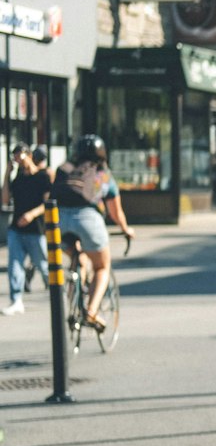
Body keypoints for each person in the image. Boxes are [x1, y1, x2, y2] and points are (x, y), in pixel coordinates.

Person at [49, 136, 135, 329]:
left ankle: (73, 302)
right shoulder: (102, 174)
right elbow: (115, 212)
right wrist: (126, 229)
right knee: (102, 266)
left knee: (77, 258)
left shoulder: (63, 170)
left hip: (57, 222)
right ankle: (91, 312)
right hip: (88, 219)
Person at [2, 143, 50, 316]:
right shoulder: (18, 179)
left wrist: (31, 214)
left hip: (36, 230)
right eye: (15, 157)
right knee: (14, 266)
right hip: (16, 229)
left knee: (44, 266)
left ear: (29, 155)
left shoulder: (42, 177)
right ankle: (16, 301)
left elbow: (48, 204)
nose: (18, 160)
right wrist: (7, 172)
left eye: (20, 155)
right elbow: (5, 200)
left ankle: (59, 293)